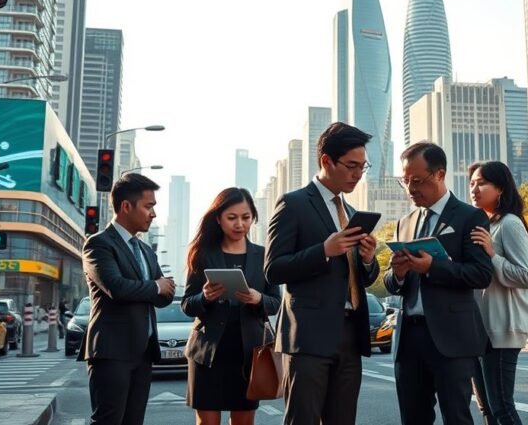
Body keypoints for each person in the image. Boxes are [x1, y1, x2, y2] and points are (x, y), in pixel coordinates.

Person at [264, 122, 380, 425]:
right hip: (308, 335)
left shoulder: (353, 213)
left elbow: (360, 277)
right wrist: (323, 251)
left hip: (350, 334)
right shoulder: (293, 203)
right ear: (326, 161)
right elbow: (273, 269)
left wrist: (367, 260)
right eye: (351, 166)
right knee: (302, 419)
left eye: (362, 166)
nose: (357, 174)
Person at [383, 142, 493, 425]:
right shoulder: (404, 222)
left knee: (456, 417)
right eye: (404, 181)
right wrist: (398, 274)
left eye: (416, 181)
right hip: (408, 339)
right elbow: (391, 283)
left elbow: (481, 274)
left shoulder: (470, 217)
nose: (410, 189)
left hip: (452, 339)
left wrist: (434, 267)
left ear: (440, 174)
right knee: (413, 418)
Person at [80, 173, 176, 425]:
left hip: (143, 352)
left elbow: (164, 295)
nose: (153, 214)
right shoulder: (98, 244)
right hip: (111, 352)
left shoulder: (145, 249)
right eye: (148, 206)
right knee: (108, 420)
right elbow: (117, 288)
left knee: (134, 421)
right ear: (126, 206)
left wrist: (162, 289)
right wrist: (156, 286)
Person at [182, 187, 282, 425]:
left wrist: (258, 299)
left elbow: (275, 303)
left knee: (244, 421)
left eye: (246, 217)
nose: (239, 224)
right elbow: (187, 304)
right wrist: (205, 296)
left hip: (248, 353)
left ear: (253, 218)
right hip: (208, 352)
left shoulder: (263, 256)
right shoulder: (202, 255)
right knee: (207, 421)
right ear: (218, 219)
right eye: (232, 217)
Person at [467, 161, 528, 425]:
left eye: (482, 183)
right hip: (479, 329)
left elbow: (525, 276)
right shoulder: (484, 225)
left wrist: (492, 255)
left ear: (500, 188)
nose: (474, 188)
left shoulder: (509, 223)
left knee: (502, 408)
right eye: (472, 183)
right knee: (486, 408)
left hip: (502, 329)